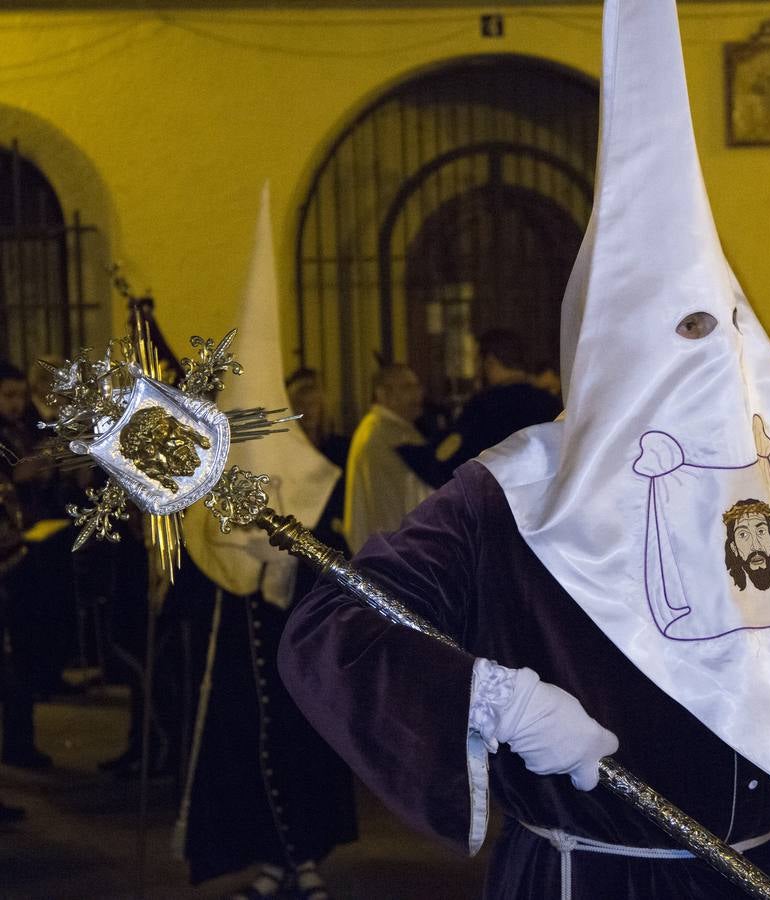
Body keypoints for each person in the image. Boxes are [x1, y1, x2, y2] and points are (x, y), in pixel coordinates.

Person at [280, 0, 770, 895]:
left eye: (714, 334)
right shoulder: (509, 492)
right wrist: (490, 697)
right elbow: (336, 628)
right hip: (595, 879)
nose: (696, 363)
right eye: (671, 338)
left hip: (767, 872)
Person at [179, 190, 358, 899]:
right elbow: (201, 538)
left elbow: (332, 544)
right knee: (240, 746)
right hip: (238, 630)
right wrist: (231, 560)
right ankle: (265, 855)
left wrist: (289, 562)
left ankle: (306, 854)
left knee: (301, 743)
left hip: (298, 632)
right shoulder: (216, 464)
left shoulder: (313, 470)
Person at [0, 362, 54, 770]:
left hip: (22, 550)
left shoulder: (21, 430)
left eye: (20, 396)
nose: (16, 405)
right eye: (8, 396)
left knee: (23, 651)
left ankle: (21, 742)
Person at [439, 329, 563, 475]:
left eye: (477, 360)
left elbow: (452, 460)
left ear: (490, 361)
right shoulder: (551, 403)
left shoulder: (482, 407)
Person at [342, 364, 433, 553]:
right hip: (394, 550)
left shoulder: (383, 429)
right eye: (407, 387)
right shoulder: (387, 433)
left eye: (417, 387)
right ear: (382, 394)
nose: (417, 395)